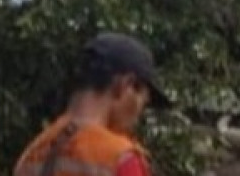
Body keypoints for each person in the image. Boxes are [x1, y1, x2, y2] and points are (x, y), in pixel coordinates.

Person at [12, 32, 170, 176]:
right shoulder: (119, 157)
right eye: (143, 103)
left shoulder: (29, 157)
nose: (137, 117)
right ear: (124, 85)